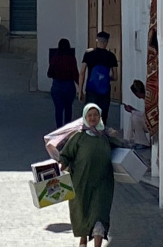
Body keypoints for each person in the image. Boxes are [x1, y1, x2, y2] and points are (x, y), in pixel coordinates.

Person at [58, 104, 118, 247]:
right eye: (89, 115)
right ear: (85, 117)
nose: (93, 118)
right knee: (82, 212)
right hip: (81, 182)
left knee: (99, 214)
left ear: (100, 117)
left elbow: (121, 148)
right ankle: (83, 239)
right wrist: (60, 168)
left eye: (96, 115)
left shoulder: (105, 136)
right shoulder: (78, 136)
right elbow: (66, 155)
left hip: (102, 183)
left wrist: (117, 136)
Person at [79, 32, 119, 119]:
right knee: (102, 117)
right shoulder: (111, 56)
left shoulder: (88, 53)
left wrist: (80, 91)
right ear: (107, 42)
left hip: (91, 90)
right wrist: (105, 78)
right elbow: (115, 77)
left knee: (90, 117)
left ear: (97, 40)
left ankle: (90, 132)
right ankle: (101, 131)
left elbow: (82, 72)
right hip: (105, 91)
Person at [48, 39, 80, 127]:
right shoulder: (71, 58)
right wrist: (80, 88)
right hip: (69, 86)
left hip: (57, 85)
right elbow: (75, 74)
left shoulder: (55, 58)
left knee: (58, 109)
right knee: (68, 108)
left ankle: (59, 129)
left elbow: (49, 74)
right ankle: (67, 129)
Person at [122, 80, 150, 147]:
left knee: (135, 118)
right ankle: (129, 139)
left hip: (151, 123)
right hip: (148, 120)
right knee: (133, 115)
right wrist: (133, 110)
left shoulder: (148, 98)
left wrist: (132, 111)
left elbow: (147, 115)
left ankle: (141, 142)